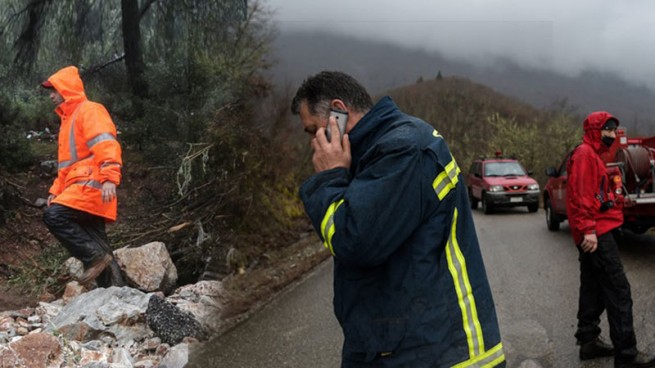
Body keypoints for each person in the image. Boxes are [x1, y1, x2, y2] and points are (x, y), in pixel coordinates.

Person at [291, 71, 505, 367]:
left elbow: (354, 239)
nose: (313, 143)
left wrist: (329, 178)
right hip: (395, 345)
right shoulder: (371, 153)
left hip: (433, 352)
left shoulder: (402, 148)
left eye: (313, 130)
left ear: (338, 111)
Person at [567, 111, 655, 368]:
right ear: (595, 131)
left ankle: (589, 340)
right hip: (598, 233)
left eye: (613, 130)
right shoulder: (585, 154)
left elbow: (597, 194)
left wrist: (614, 202)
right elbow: (580, 196)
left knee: (593, 287)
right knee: (619, 291)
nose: (611, 135)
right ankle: (627, 355)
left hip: (598, 229)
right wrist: (588, 229)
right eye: (607, 130)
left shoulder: (593, 155)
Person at [41, 65, 125, 288]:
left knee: (54, 216)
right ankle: (117, 294)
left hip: (92, 186)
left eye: (54, 90)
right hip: (82, 188)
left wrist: (109, 177)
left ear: (66, 90)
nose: (51, 95)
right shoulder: (68, 119)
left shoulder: (89, 110)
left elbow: (106, 143)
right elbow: (67, 167)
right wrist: (55, 191)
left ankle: (93, 259)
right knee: (100, 245)